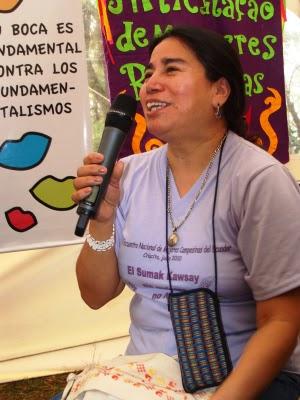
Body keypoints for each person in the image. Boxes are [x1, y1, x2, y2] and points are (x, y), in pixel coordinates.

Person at [72, 26, 300, 399]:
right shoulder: (127, 174)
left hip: (246, 379)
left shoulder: (259, 180)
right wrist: (103, 219)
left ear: (219, 91)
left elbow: (283, 320)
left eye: (171, 69)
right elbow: (95, 295)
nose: (150, 85)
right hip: (144, 377)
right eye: (148, 74)